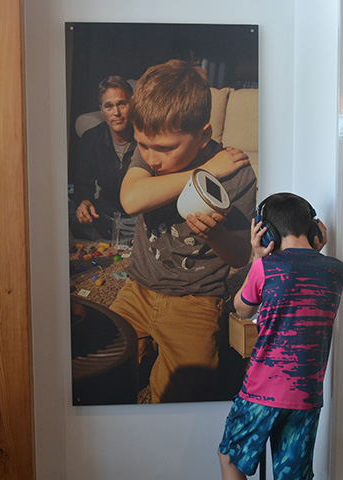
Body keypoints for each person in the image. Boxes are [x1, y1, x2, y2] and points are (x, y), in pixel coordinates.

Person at [109, 59, 257, 403]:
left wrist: (215, 236)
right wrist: (203, 171)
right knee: (102, 363)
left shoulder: (236, 175)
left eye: (164, 149)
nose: (152, 158)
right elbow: (131, 200)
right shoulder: (149, 152)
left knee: (185, 393)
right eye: (142, 144)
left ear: (204, 134)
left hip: (197, 299)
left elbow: (238, 255)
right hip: (139, 287)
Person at [217, 192, 343, 480]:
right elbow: (309, 274)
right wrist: (318, 250)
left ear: (268, 231)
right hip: (307, 396)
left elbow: (242, 309)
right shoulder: (337, 271)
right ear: (314, 229)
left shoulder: (266, 268)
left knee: (230, 458)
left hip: (262, 391)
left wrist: (256, 258)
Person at [69, 75, 137, 243]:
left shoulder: (146, 138)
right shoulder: (91, 139)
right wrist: (84, 202)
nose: (116, 113)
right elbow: (83, 183)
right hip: (104, 216)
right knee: (61, 211)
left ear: (132, 104)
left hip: (139, 220)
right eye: (109, 106)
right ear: (101, 110)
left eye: (122, 103)